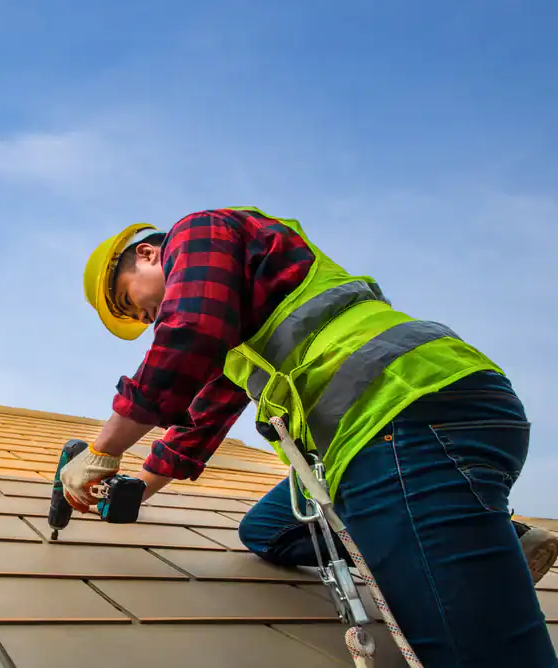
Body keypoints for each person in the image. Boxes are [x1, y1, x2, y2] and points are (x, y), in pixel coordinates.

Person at [60, 207, 558, 666]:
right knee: (267, 531)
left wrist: (104, 450)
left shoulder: (201, 230)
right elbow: (198, 421)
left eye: (135, 303)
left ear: (147, 254)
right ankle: (489, 538)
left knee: (472, 654)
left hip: (404, 415)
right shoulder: (239, 336)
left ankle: (447, 551)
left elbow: (187, 332)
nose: (147, 321)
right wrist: (133, 491)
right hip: (390, 433)